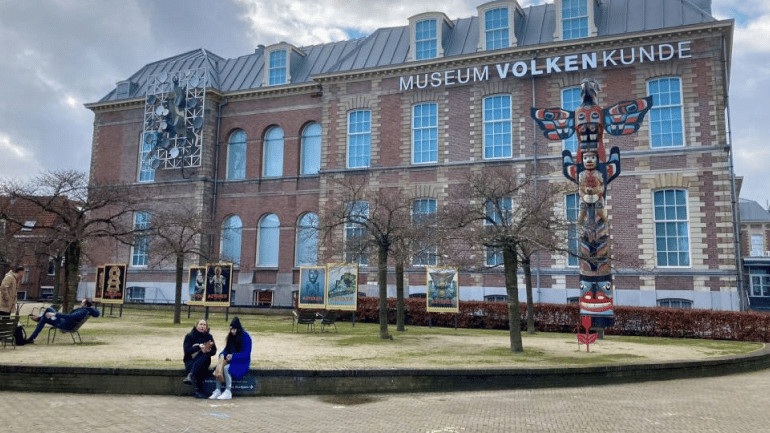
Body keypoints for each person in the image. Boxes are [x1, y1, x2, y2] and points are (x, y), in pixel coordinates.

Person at [209, 317, 251, 400]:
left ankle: (228, 391)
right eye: (231, 329)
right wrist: (222, 355)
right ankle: (218, 390)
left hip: (242, 363)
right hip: (231, 360)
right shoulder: (231, 337)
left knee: (226, 368)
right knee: (219, 366)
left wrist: (233, 356)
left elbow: (246, 354)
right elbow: (226, 349)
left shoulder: (246, 337)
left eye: (234, 329)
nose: (232, 331)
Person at [26, 298, 100, 344]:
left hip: (65, 325)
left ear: (86, 305)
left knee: (44, 317)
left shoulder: (82, 312)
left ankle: (33, 334)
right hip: (64, 322)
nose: (80, 303)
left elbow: (69, 317)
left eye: (82, 302)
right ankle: (33, 335)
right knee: (47, 312)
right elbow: (96, 312)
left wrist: (54, 314)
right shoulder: (86, 310)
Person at [182, 319, 217, 399]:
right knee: (200, 366)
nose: (202, 326)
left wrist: (208, 350)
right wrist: (198, 347)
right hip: (191, 361)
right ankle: (199, 390)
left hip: (205, 361)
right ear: (196, 326)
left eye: (204, 325)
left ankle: (190, 375)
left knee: (204, 356)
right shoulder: (189, 336)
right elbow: (187, 351)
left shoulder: (209, 337)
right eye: (200, 324)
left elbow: (214, 351)